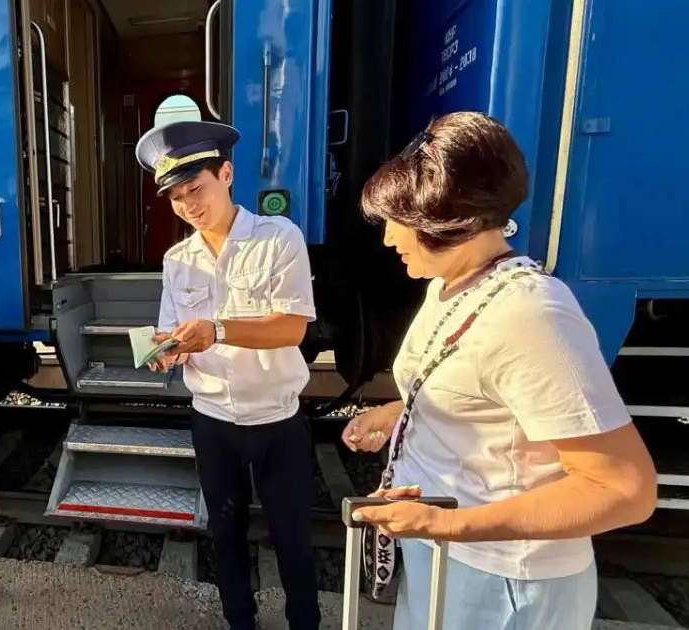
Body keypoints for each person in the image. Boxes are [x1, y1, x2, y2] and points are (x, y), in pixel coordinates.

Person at [342, 112, 658, 630]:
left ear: (449, 220)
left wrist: (451, 522)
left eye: (401, 221)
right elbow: (481, 390)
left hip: (505, 582)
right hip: (449, 554)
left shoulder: (532, 314)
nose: (388, 239)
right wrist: (401, 414)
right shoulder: (451, 284)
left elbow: (624, 488)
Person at [136, 121, 321, 629]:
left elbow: (291, 328)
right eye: (175, 197)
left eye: (196, 188)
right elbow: (176, 331)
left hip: (277, 421)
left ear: (227, 173)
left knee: (292, 537)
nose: (189, 205)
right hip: (213, 420)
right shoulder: (178, 259)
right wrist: (170, 350)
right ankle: (240, 619)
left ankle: (306, 622)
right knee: (225, 534)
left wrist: (214, 330)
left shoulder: (278, 238)